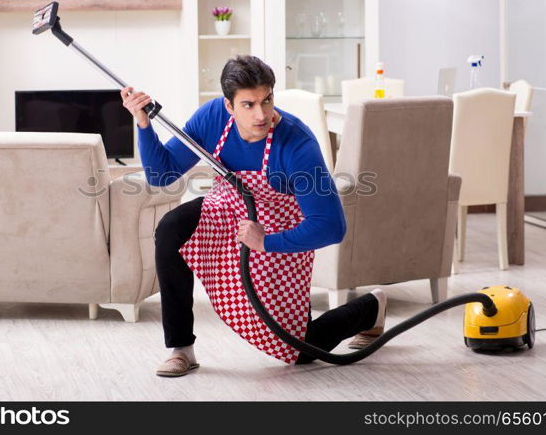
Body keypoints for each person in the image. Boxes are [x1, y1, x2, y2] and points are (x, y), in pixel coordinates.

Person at [121, 55, 386, 377]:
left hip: (279, 227)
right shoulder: (212, 119)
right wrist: (143, 124)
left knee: (298, 349)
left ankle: (371, 308)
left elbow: (331, 227)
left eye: (267, 100)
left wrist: (267, 242)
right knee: (171, 228)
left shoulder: (297, 145)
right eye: (248, 105)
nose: (261, 114)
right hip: (227, 207)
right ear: (229, 106)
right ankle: (181, 349)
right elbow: (161, 175)